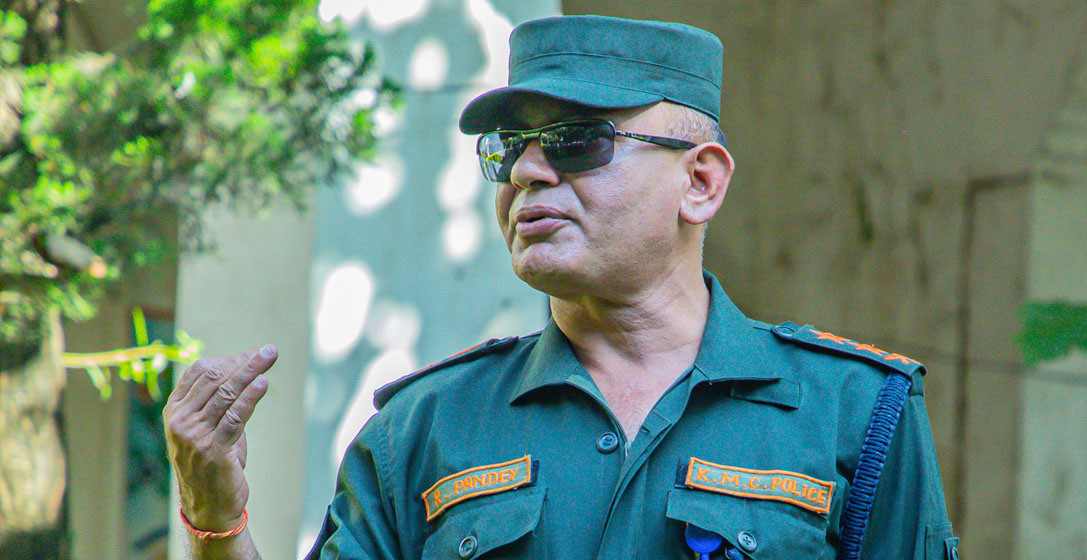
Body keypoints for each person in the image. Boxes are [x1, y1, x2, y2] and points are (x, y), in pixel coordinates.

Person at [163, 14, 959, 560]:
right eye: (511, 147)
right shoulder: (424, 428)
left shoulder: (857, 413)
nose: (528, 170)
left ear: (701, 183)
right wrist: (215, 521)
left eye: (578, 141)